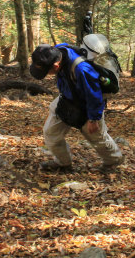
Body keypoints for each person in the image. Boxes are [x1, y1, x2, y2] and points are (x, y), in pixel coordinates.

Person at [29, 43, 124, 172]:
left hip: (87, 105)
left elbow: (94, 94)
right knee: (50, 132)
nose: (46, 74)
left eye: (46, 71)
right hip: (66, 99)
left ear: (56, 66)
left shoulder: (82, 69)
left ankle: (113, 162)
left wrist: (93, 119)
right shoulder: (58, 50)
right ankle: (63, 163)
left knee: (97, 137)